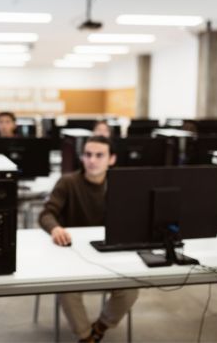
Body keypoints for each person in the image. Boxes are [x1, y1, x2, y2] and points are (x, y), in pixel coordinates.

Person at [38, 136, 138, 343]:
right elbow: (46, 214)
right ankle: (86, 337)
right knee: (67, 289)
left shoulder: (121, 185)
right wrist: (55, 228)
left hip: (109, 255)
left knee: (131, 288)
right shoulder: (68, 182)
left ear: (111, 159)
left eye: (99, 155)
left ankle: (100, 327)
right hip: (73, 255)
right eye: (88, 155)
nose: (92, 160)